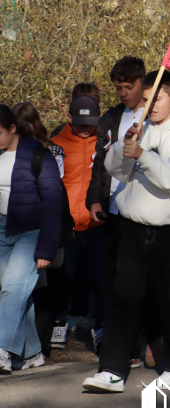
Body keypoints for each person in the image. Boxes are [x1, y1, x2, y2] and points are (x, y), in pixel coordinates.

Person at [82, 70, 170, 392]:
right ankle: (112, 370)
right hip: (134, 228)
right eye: (147, 100)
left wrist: (144, 156)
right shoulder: (143, 128)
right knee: (124, 300)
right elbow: (115, 170)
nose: (150, 107)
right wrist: (125, 147)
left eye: (157, 99)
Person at [85, 56, 147, 353]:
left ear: (142, 84)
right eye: (119, 87)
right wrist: (95, 198)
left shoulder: (153, 116)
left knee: (137, 282)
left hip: (144, 211)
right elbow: (99, 162)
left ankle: (144, 339)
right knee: (109, 278)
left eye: (129, 86)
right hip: (113, 209)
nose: (123, 92)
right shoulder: (110, 118)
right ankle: (116, 340)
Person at [0, 104, 63, 373]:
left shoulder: (38, 155)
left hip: (31, 232)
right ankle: (33, 353)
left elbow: (53, 202)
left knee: (13, 289)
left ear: (12, 129)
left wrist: (46, 248)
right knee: (17, 293)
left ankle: (2, 349)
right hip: (2, 231)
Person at [50, 87, 105, 348]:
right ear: (69, 118)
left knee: (97, 277)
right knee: (64, 276)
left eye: (90, 125)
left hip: (97, 222)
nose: (86, 130)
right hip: (68, 224)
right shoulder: (56, 144)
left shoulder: (104, 142)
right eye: (80, 124)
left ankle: (98, 325)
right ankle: (59, 322)